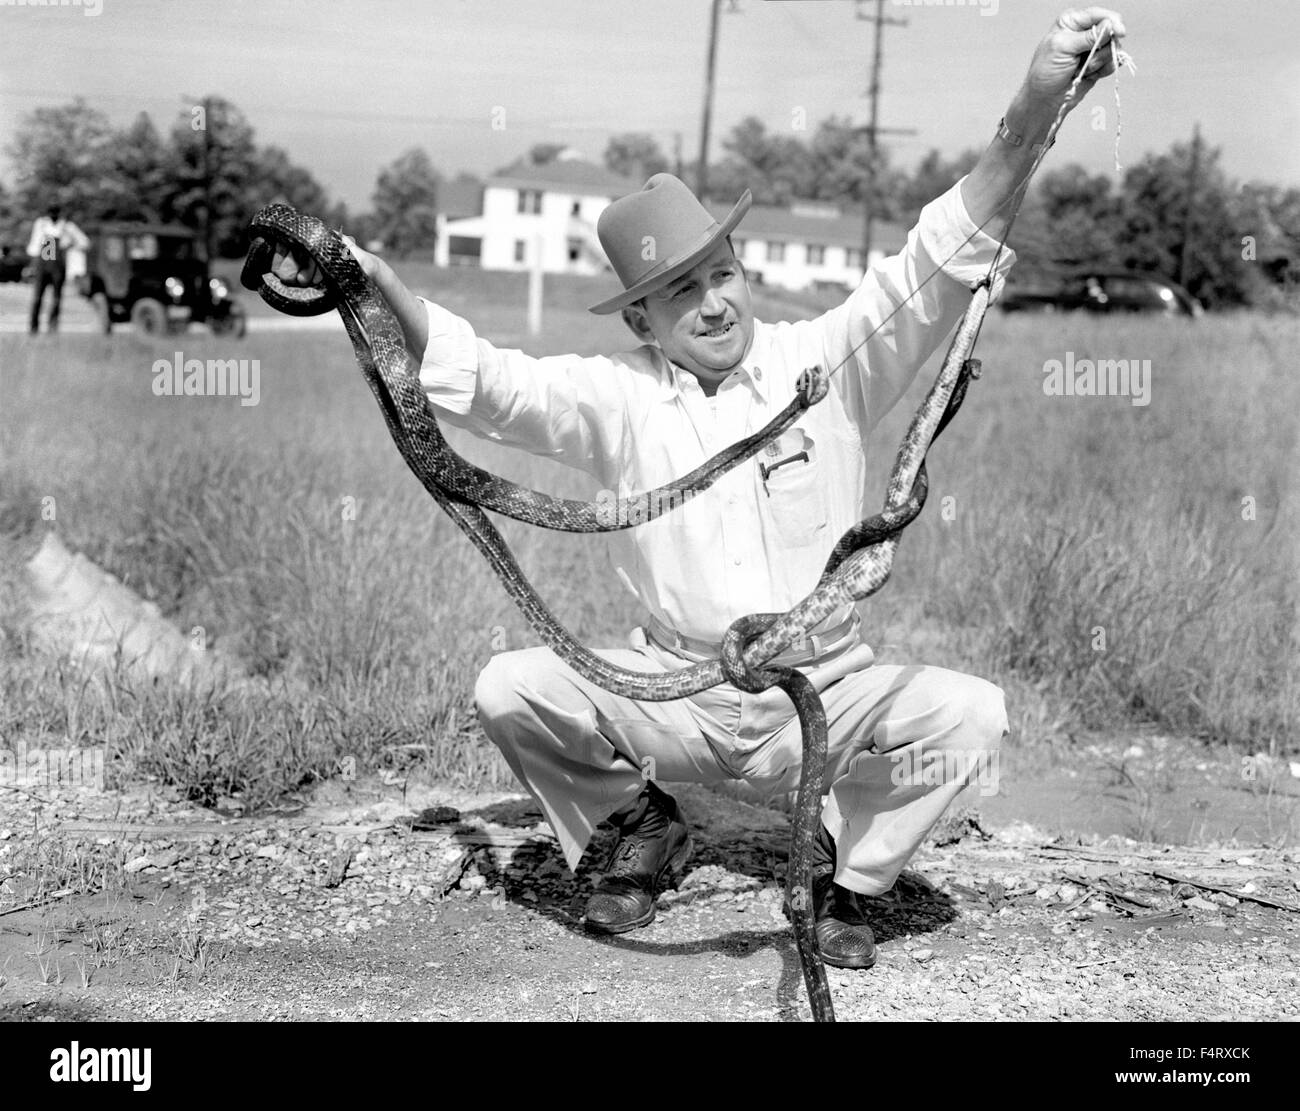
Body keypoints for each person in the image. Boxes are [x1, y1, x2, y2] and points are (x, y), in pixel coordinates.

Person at [266, 8, 1126, 968]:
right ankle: (639, 825)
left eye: (722, 272)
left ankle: (845, 870)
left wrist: (1042, 95)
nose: (715, 301)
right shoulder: (615, 401)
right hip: (675, 694)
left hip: (822, 693)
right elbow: (492, 385)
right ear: (640, 315)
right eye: (681, 290)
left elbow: (945, 243)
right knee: (511, 687)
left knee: (971, 717)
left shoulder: (831, 361)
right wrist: (374, 281)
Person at [27, 203, 89, 334]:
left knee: (56, 298)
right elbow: (33, 247)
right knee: (37, 297)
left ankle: (52, 328)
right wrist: (33, 265)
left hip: (57, 266)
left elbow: (84, 242)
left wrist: (70, 245)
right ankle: (33, 328)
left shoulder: (67, 226)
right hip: (42, 265)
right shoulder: (41, 224)